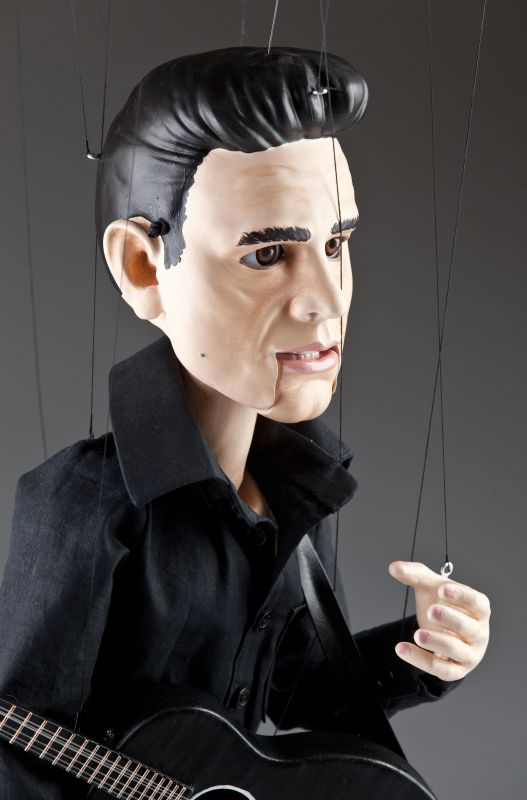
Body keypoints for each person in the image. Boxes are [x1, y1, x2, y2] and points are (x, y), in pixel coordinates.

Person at [0, 47, 490, 798]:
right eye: (267, 254)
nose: (326, 301)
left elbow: (295, 696)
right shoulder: (84, 502)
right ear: (142, 267)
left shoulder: (292, 485)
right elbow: (16, 750)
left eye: (337, 245)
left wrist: (422, 651)